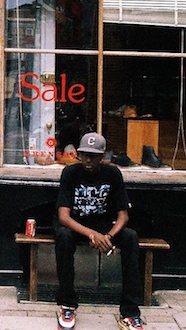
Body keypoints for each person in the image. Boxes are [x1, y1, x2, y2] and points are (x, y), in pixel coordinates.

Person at [55, 132, 144, 330]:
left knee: (130, 237)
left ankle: (130, 312)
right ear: (78, 155)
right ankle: (67, 303)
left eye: (93, 156)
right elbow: (63, 217)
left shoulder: (112, 174)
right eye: (85, 154)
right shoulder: (70, 174)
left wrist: (109, 236)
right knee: (63, 237)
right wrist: (91, 235)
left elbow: (124, 216)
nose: (88, 160)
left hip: (104, 226)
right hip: (77, 225)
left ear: (102, 156)